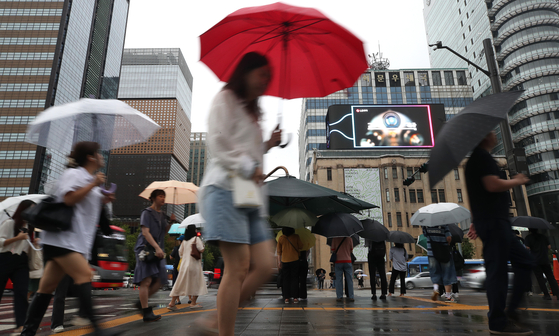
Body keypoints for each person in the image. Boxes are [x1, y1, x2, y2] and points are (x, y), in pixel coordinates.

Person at [198, 51, 282, 336]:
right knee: (238, 267)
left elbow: (249, 151)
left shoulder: (254, 113)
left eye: (268, 78)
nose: (265, 82)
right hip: (223, 189)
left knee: (266, 266)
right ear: (246, 72)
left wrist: (268, 143)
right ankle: (223, 329)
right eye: (262, 74)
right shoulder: (225, 99)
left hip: (248, 195)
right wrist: (249, 165)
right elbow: (219, 143)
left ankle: (217, 318)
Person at [20, 141, 116, 336]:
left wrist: (104, 199)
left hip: (69, 241)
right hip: (63, 239)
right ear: (90, 157)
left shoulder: (89, 178)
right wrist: (93, 184)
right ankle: (98, 330)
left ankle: (27, 332)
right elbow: (69, 199)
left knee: (46, 288)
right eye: (98, 153)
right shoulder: (74, 174)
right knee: (84, 275)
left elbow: (89, 212)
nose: (102, 157)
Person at [466, 131, 534, 335]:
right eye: (491, 132)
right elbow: (492, 185)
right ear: (484, 137)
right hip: (495, 223)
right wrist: (517, 181)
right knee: (498, 272)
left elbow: (479, 193)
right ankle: (498, 321)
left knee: (525, 262)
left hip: (494, 222)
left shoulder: (476, 160)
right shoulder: (482, 157)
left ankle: (510, 312)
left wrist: (475, 220)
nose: (495, 135)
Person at [133, 189, 175, 322]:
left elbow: (163, 232)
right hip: (146, 249)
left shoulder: (162, 215)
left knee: (161, 279)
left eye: (164, 196)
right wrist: (157, 248)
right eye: (160, 196)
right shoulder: (147, 213)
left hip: (158, 251)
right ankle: (146, 311)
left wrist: (171, 223)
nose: (163, 199)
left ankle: (141, 303)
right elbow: (145, 232)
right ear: (153, 198)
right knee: (146, 280)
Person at [0, 200, 36, 334]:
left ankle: (21, 325)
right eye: (31, 210)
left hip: (22, 261)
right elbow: (0, 242)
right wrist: (17, 238)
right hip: (4, 258)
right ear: (23, 210)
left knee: (21, 292)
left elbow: (27, 248)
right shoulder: (9, 223)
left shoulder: (30, 227)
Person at [168, 225, 207, 309]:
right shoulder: (196, 239)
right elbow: (201, 249)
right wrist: (203, 245)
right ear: (194, 231)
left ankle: (172, 302)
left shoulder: (184, 241)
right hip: (194, 265)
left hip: (184, 266)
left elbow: (180, 253)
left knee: (179, 283)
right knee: (197, 283)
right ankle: (193, 303)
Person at [423, 225, 457, 302]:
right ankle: (448, 295)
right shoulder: (444, 224)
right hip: (444, 251)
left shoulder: (426, 225)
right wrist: (448, 243)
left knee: (434, 271)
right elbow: (448, 238)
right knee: (447, 272)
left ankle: (435, 289)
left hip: (432, 252)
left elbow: (425, 235)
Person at [525, 228, 559, 300]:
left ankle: (546, 295)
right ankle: (557, 294)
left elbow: (527, 248)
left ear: (529, 230)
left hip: (535, 261)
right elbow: (549, 247)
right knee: (551, 277)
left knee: (540, 278)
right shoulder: (543, 237)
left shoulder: (528, 237)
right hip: (545, 260)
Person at [277, 227, 303, 303]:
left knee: (286, 279)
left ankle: (286, 297)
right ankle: (295, 297)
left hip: (284, 261)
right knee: (295, 278)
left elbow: (279, 252)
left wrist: (279, 262)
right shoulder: (296, 237)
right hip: (295, 260)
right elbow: (301, 246)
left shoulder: (281, 238)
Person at [331, 237, 355, 302]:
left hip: (338, 261)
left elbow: (333, 249)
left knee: (338, 280)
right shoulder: (349, 238)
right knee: (349, 279)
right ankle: (351, 296)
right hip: (348, 261)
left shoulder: (335, 238)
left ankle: (339, 296)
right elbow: (351, 249)